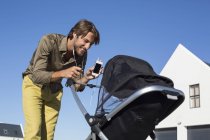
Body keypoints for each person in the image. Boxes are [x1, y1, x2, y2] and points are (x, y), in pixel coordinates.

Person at [22, 19, 100, 140]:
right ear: (74, 34)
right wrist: (63, 73)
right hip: (34, 86)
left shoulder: (82, 55)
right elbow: (37, 75)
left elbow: (77, 86)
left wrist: (86, 78)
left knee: (48, 137)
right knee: (34, 131)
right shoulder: (48, 41)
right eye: (85, 41)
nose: (87, 47)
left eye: (90, 44)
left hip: (54, 92)